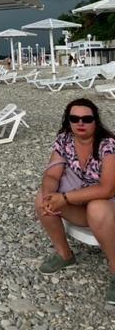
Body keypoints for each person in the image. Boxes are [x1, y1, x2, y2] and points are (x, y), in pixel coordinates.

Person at [34, 99, 115, 305]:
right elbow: (52, 174)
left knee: (97, 207)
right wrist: (51, 195)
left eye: (87, 119)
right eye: (74, 118)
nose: (80, 123)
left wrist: (66, 198)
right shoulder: (64, 140)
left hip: (108, 206)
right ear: (68, 121)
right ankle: (65, 255)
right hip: (82, 205)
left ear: (95, 121)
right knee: (42, 198)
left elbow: (107, 189)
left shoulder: (107, 145)